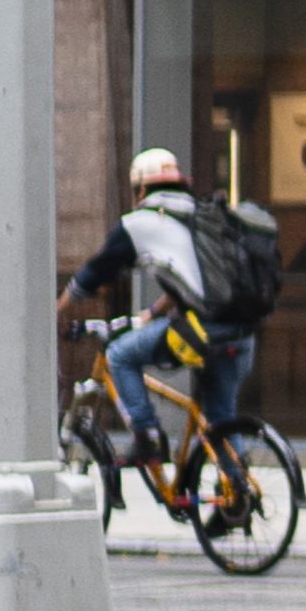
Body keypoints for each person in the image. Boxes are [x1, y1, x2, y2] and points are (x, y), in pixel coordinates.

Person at [72, 146, 222, 482]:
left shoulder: (143, 221)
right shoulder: (197, 215)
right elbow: (188, 282)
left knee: (119, 355)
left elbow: (93, 273)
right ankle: (236, 494)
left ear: (141, 189)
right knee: (221, 421)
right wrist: (151, 314)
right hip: (235, 327)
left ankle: (147, 437)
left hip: (199, 330)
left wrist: (57, 310)